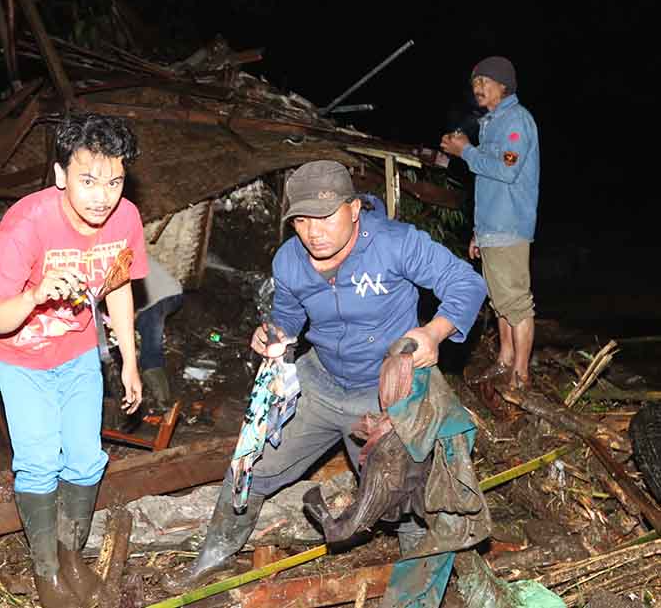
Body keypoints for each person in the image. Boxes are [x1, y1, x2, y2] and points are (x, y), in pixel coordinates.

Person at [162, 160, 486, 593]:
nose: (312, 232)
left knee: (410, 500)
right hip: (320, 384)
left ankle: (418, 586)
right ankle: (214, 556)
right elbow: (288, 320)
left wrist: (433, 332)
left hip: (386, 397)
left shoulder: (395, 243)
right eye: (300, 219)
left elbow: (466, 283)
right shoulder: (289, 261)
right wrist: (274, 336)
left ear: (353, 209)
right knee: (249, 467)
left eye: (324, 216)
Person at [0, 112, 148, 608]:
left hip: (77, 354)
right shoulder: (26, 224)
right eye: (88, 180)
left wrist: (129, 362)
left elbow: (118, 287)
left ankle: (71, 555)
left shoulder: (126, 219)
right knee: (37, 463)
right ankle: (47, 571)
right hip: (21, 358)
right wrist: (34, 297)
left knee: (84, 458)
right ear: (60, 176)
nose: (103, 195)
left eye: (114, 181)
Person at [440, 56, 540, 388]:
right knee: (499, 301)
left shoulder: (516, 121)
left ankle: (521, 375)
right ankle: (504, 360)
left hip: (511, 227)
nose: (477, 87)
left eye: (485, 81)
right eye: (475, 82)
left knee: (516, 302)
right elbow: (488, 182)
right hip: (491, 228)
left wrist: (466, 150)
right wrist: (477, 233)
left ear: (503, 85)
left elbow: (507, 170)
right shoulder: (492, 122)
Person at [134, 254, 184, 410]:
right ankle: (160, 397)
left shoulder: (119, 257)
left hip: (158, 297)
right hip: (172, 293)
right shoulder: (129, 249)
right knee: (147, 335)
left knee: (150, 346)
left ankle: (162, 400)